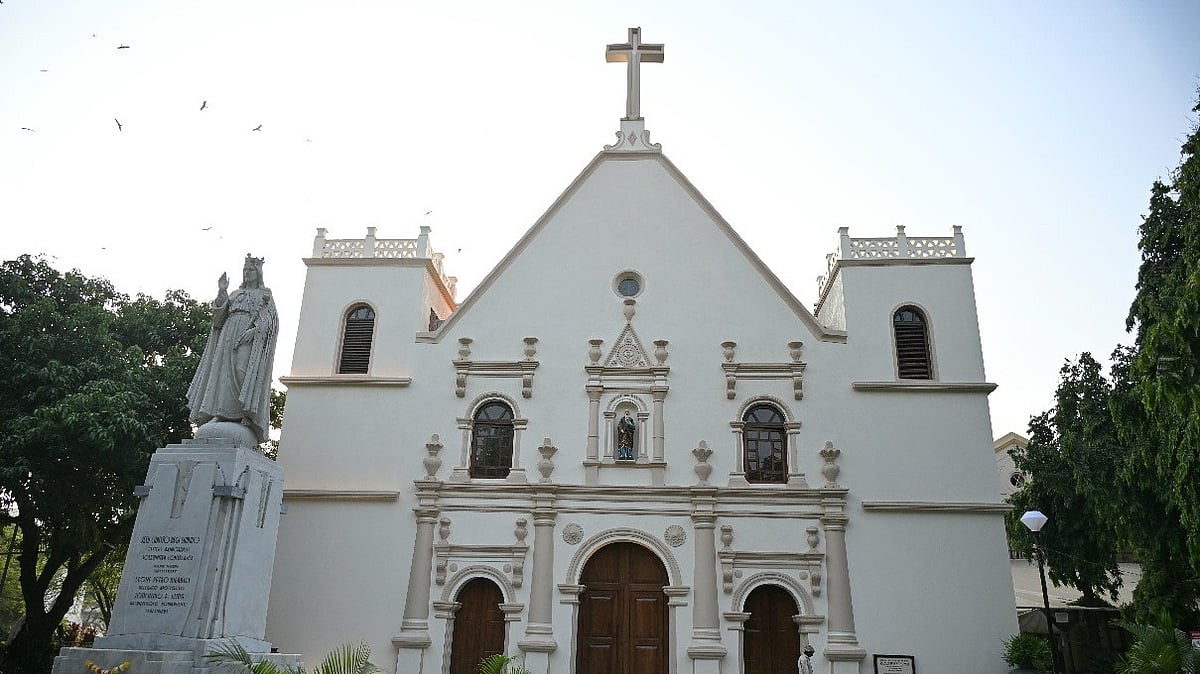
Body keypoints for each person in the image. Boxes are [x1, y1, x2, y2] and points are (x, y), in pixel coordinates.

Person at [187, 254, 279, 445]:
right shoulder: (236, 294)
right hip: (228, 334)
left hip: (248, 338)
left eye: (251, 270)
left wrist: (255, 331)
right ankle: (219, 413)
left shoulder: (264, 295)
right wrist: (222, 292)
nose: (247, 273)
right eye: (245, 270)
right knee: (222, 374)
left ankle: (244, 415)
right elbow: (219, 317)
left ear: (258, 272)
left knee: (241, 371)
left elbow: (271, 322)